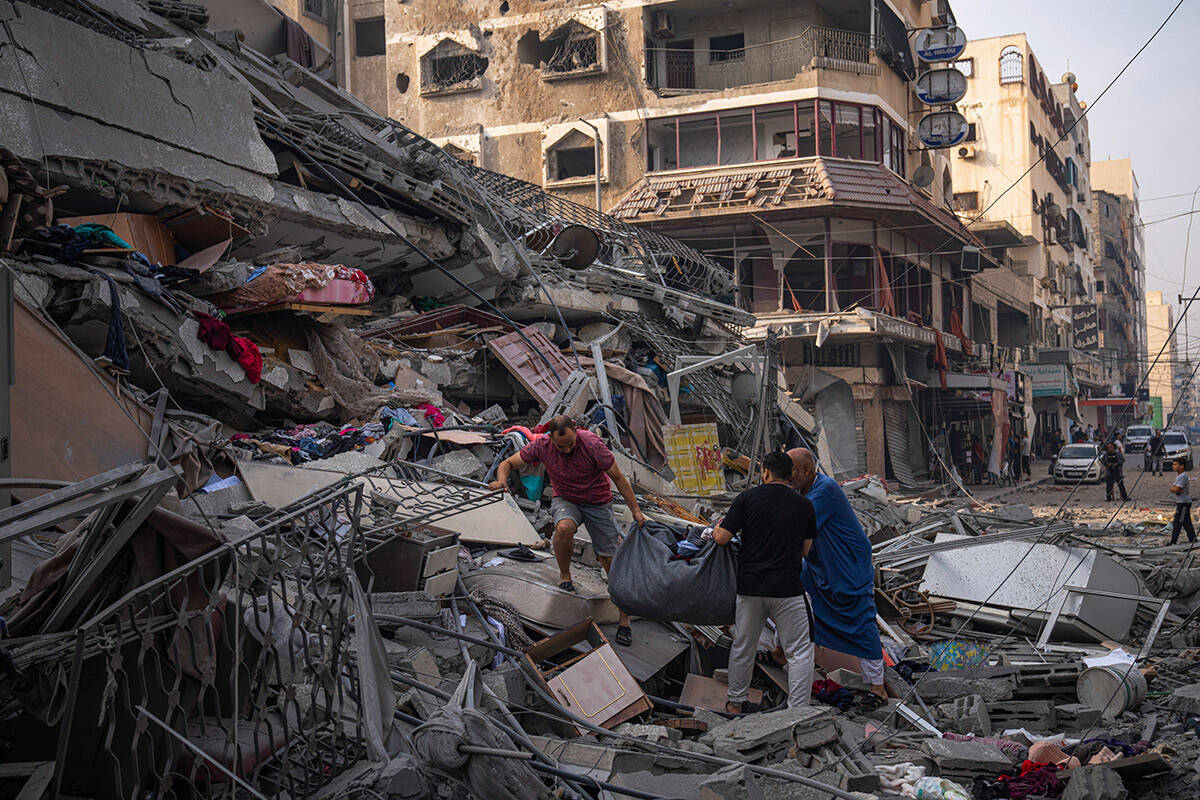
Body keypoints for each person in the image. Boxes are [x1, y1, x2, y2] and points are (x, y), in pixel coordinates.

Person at [490, 415, 646, 646]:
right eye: (560, 446)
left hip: (597, 502)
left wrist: (636, 510)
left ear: (576, 432)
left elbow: (619, 478)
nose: (566, 449)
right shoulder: (541, 445)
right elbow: (508, 464)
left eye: (571, 444)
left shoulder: (592, 444)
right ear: (550, 439)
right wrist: (501, 481)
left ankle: (625, 620)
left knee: (609, 559)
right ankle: (565, 576)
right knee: (563, 528)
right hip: (566, 499)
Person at [712, 451, 817, 712]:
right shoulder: (804, 505)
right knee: (800, 652)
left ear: (766, 473)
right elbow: (805, 551)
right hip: (788, 591)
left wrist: (715, 528)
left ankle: (735, 704)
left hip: (750, 589)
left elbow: (722, 538)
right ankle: (798, 711)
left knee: (743, 646)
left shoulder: (746, 499)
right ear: (790, 475)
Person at [788, 448, 888, 706]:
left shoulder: (824, 490)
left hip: (848, 566)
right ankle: (781, 651)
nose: (786, 479)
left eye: (789, 473)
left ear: (805, 471)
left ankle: (878, 688)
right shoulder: (804, 491)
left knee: (861, 618)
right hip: (822, 565)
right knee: (792, 599)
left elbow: (796, 524)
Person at [1170, 456, 1196, 545]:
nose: (1173, 466)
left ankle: (1173, 542)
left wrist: (1175, 489)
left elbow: (1176, 490)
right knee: (1186, 523)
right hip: (1181, 502)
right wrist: (1175, 489)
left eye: (1175, 464)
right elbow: (1174, 489)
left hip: (1183, 503)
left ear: (1182, 466)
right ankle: (1193, 540)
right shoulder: (1179, 476)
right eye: (1173, 464)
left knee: (1178, 523)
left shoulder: (1183, 476)